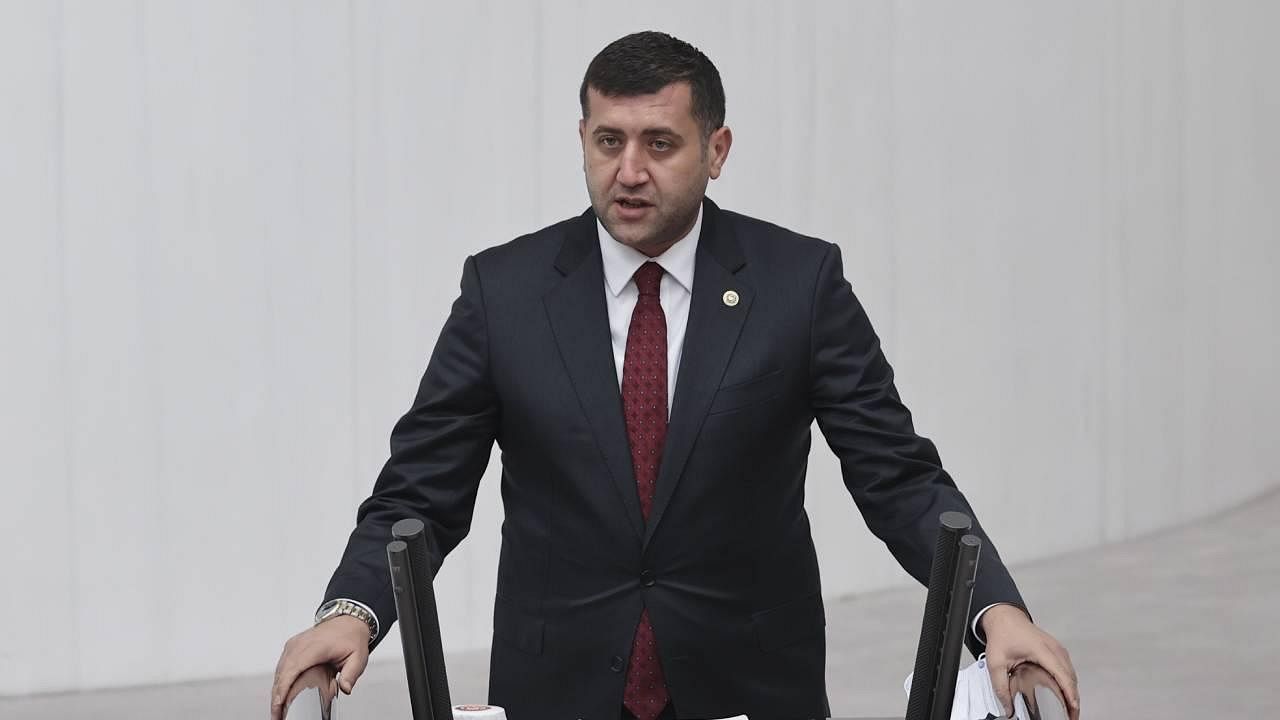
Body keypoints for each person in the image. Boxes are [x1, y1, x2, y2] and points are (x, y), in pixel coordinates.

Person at [270, 31, 1080, 720]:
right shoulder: (504, 293)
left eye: (659, 144)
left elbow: (897, 476)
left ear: (716, 151)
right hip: (558, 691)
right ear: (582, 139)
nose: (629, 171)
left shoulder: (799, 286)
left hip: (750, 688)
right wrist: (350, 610)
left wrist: (994, 610)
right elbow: (420, 490)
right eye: (608, 141)